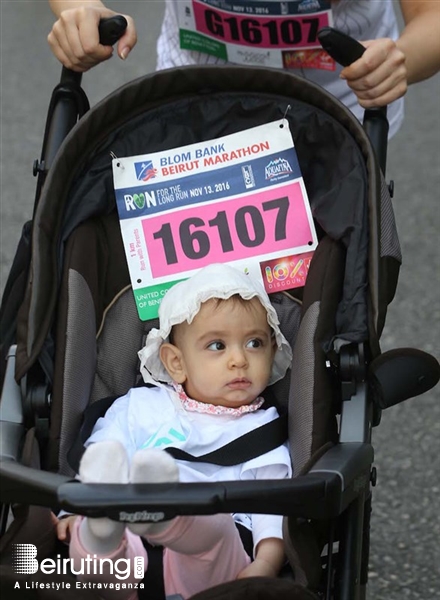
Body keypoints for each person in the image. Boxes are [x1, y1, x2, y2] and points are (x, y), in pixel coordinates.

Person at [57, 263, 293, 599]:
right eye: (217, 346)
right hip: (128, 547)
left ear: (272, 350)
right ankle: (100, 530)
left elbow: (272, 510)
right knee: (98, 529)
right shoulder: (139, 406)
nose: (239, 360)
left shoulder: (263, 429)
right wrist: (77, 504)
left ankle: (161, 511)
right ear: (176, 362)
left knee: (217, 526)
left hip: (214, 563)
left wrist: (267, 564)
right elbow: (102, 454)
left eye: (254, 343)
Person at [47, 0, 440, 137]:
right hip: (192, 98)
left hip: (335, 116)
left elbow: (431, 15)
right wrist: (82, 13)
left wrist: (398, 60)